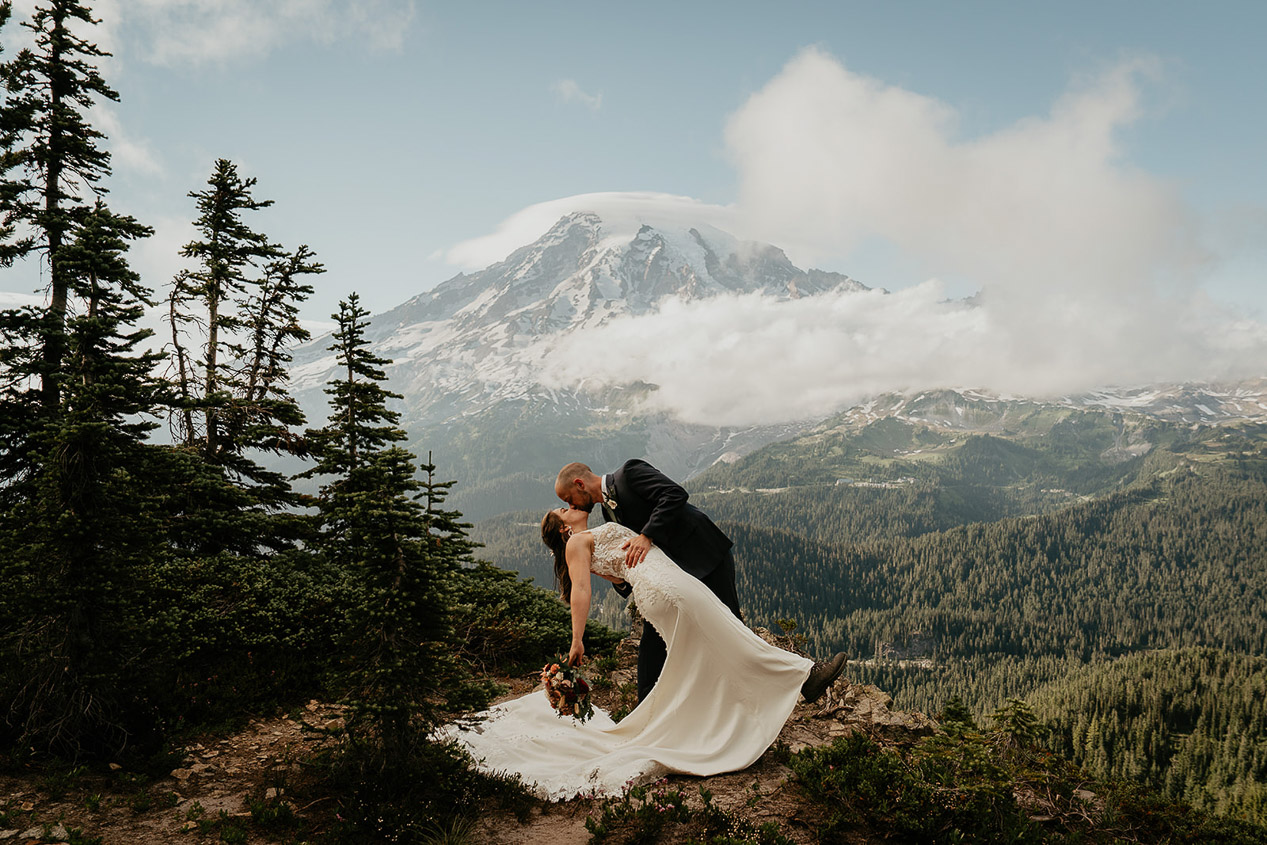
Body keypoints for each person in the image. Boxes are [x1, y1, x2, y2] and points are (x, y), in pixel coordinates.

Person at [439, 507, 847, 801]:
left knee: (711, 648)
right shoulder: (577, 543)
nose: (571, 508)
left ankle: (734, 711)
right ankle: (803, 676)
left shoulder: (589, 538)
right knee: (728, 633)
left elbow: (616, 571)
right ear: (563, 528)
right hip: (666, 589)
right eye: (563, 509)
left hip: (661, 585)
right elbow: (580, 591)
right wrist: (577, 640)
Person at [554, 459, 743, 702]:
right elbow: (633, 558)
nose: (571, 505)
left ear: (579, 483)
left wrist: (647, 534)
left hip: (705, 556)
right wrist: (620, 582)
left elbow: (674, 494)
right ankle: (648, 717)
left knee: (733, 628)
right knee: (651, 650)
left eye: (569, 499)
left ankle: (790, 682)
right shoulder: (607, 512)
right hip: (670, 580)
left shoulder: (629, 473)